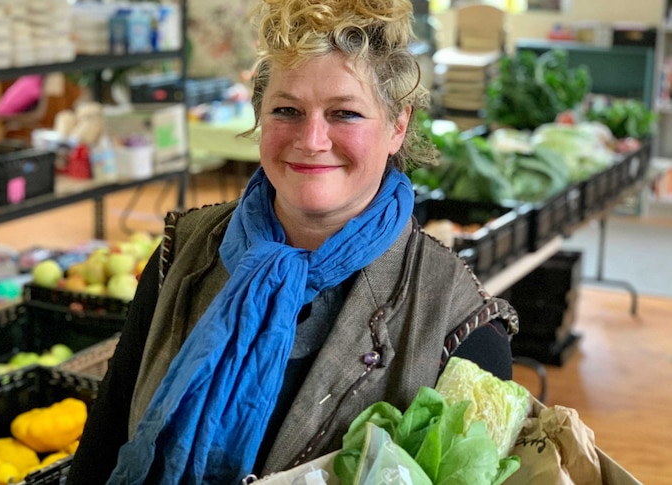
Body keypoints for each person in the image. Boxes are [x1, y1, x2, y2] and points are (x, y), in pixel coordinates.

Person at [68, 0, 518, 483]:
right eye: (287, 110)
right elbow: (106, 441)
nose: (312, 139)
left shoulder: (461, 325)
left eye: (345, 113)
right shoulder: (184, 255)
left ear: (398, 125)